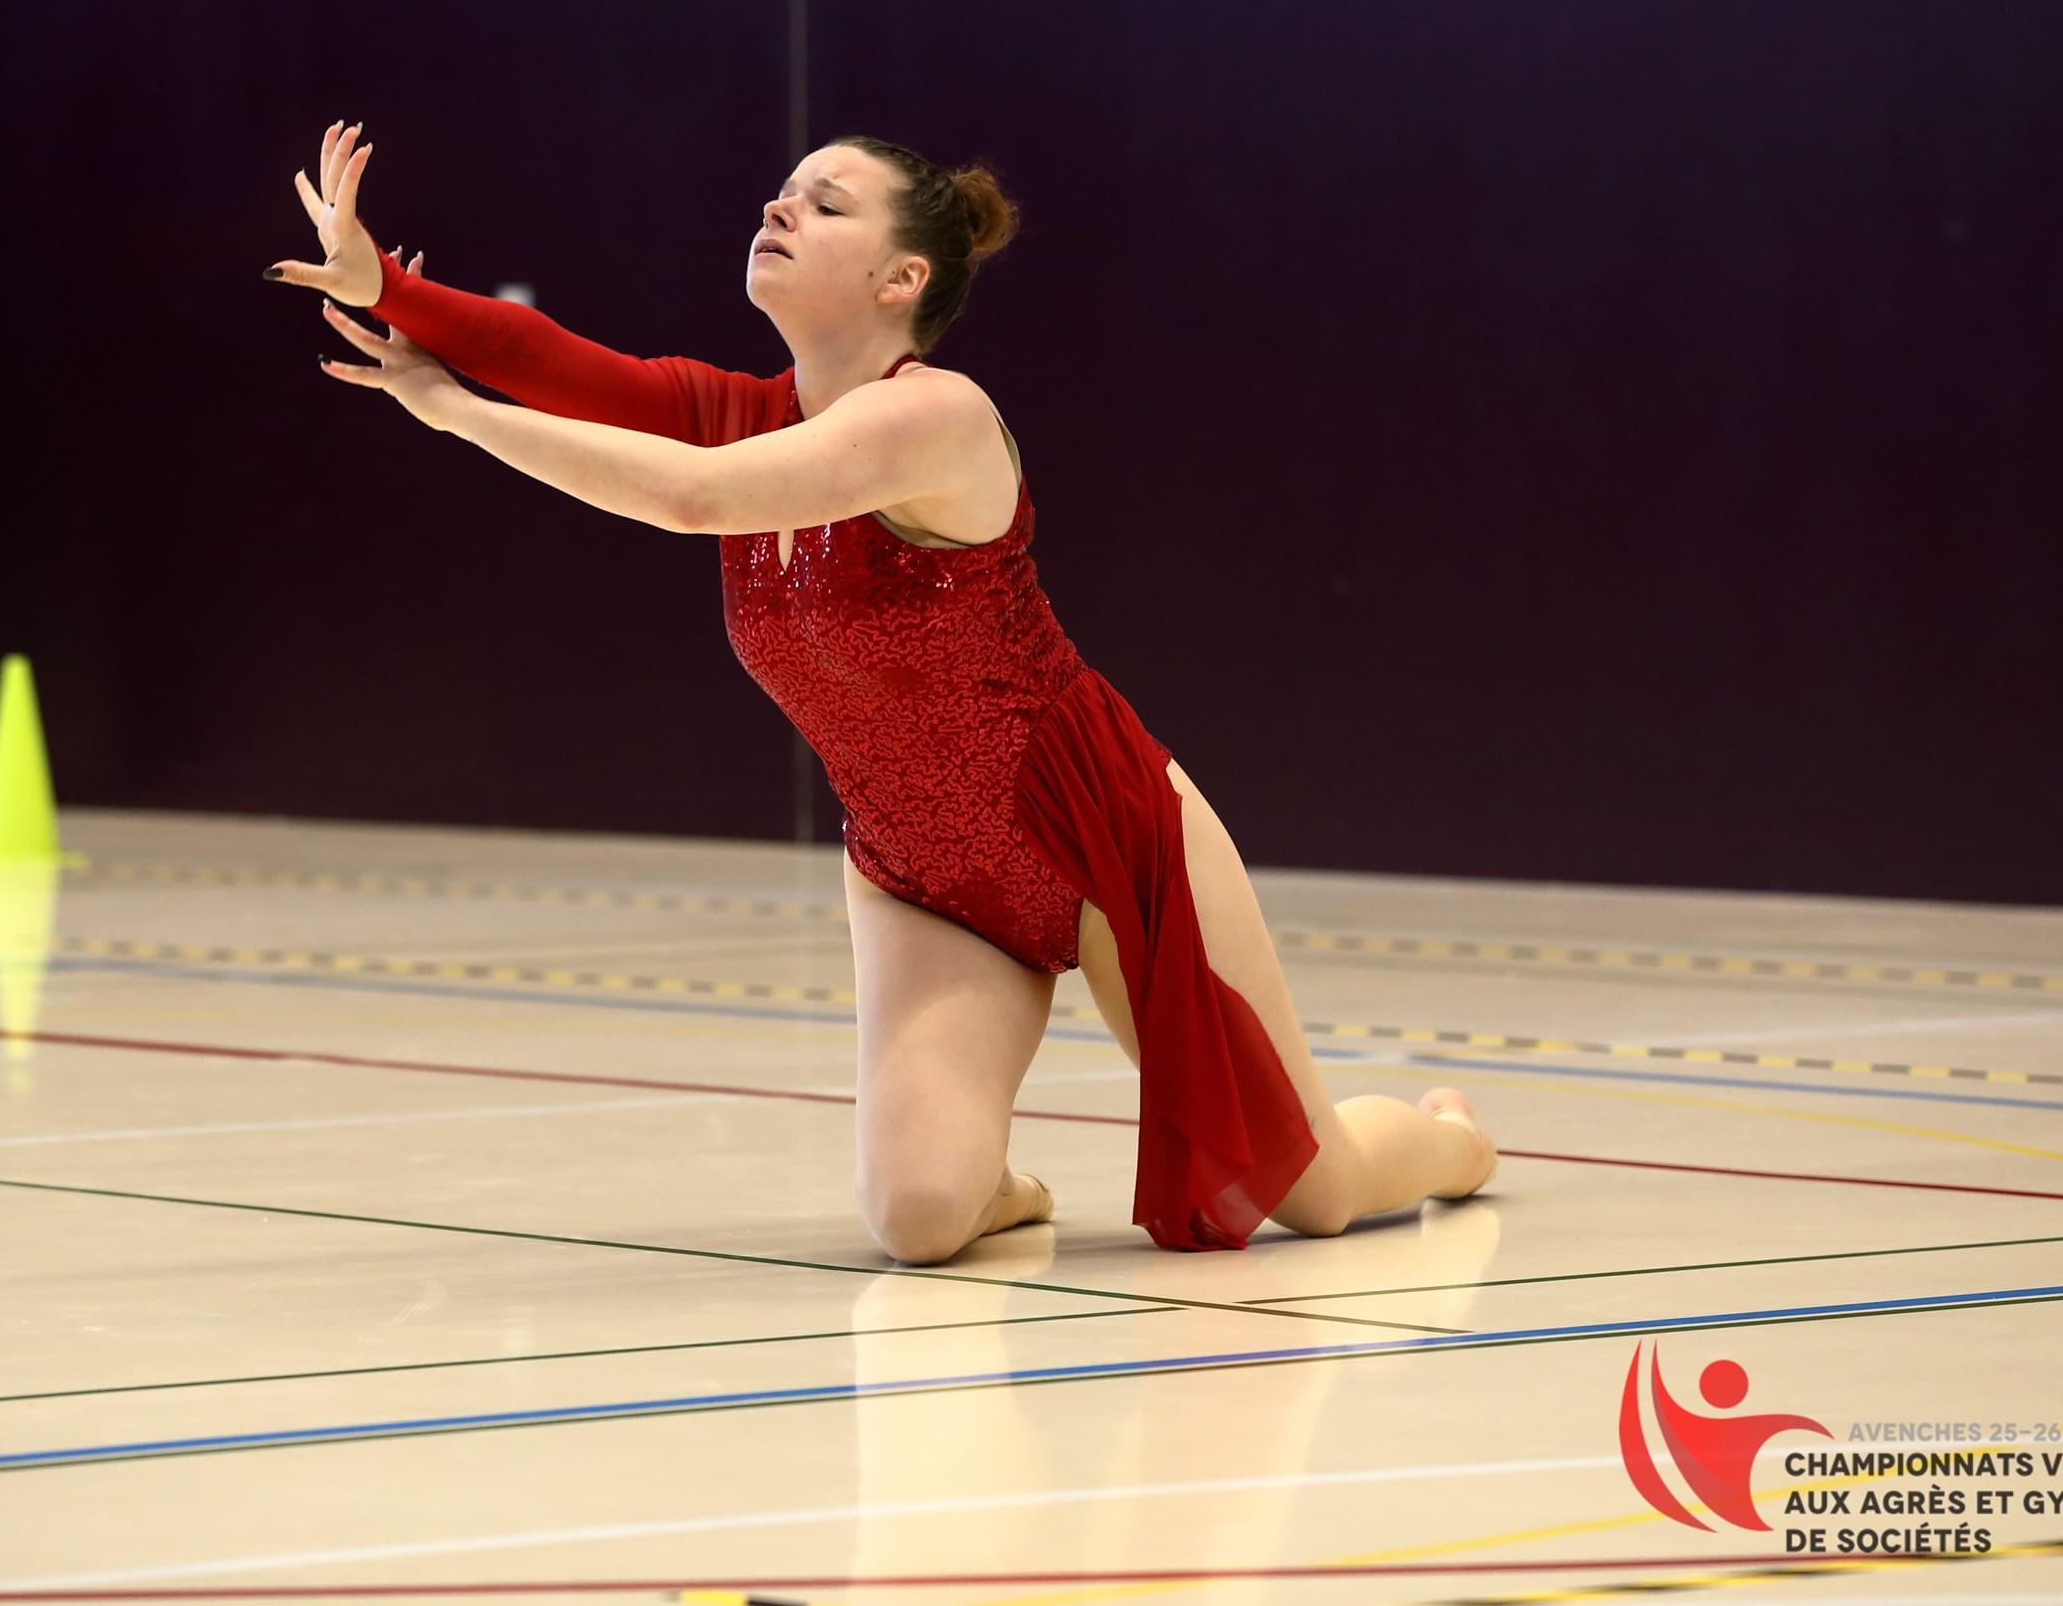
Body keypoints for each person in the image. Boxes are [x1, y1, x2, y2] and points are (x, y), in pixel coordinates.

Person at [268, 121, 1495, 1261]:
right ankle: (1000, 1184)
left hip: (1099, 833)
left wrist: (451, 413)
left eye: (824, 202)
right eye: (781, 192)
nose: (779, 206)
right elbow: (556, 362)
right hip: (919, 870)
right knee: (917, 1218)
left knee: (1312, 1191)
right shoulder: (740, 414)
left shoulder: (939, 417)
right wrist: (389, 290)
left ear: (901, 278)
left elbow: (692, 498)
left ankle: (1451, 1139)